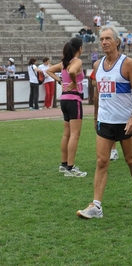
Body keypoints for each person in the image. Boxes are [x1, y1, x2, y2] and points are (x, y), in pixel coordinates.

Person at [76, 25, 132, 218]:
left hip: (125, 121)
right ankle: (96, 205)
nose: (104, 42)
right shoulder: (98, 66)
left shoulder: (127, 63)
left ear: (117, 41)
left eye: (108, 38)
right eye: (102, 39)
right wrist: (96, 115)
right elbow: (98, 92)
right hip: (105, 121)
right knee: (101, 161)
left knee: (131, 160)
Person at [46, 37, 87, 177]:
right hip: (74, 99)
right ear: (80, 48)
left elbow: (49, 70)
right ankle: (70, 167)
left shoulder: (64, 63)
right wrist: (74, 82)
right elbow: (72, 72)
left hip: (64, 99)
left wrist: (59, 81)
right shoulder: (77, 61)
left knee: (67, 134)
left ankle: (64, 164)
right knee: (75, 135)